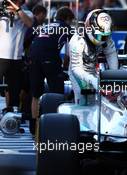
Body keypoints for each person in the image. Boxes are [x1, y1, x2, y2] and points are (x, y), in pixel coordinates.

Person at [28, 6, 75, 134]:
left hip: (33, 57)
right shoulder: (66, 27)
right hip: (49, 57)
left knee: (36, 94)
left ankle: (34, 127)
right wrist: (66, 66)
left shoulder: (45, 26)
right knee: (57, 93)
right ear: (67, 19)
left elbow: (32, 41)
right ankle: (54, 125)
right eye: (71, 20)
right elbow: (71, 51)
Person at [68, 9, 118, 105]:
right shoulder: (77, 41)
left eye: (105, 36)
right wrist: (92, 80)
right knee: (82, 100)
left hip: (93, 70)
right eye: (99, 36)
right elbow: (76, 68)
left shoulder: (106, 37)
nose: (103, 39)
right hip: (78, 72)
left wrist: (113, 78)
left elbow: (111, 54)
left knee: (95, 102)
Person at [0, 0, 33, 110]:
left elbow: (29, 23)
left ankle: (12, 118)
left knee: (14, 90)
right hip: (0, 56)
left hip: (16, 58)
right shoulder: (2, 11)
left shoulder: (27, 13)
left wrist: (17, 9)